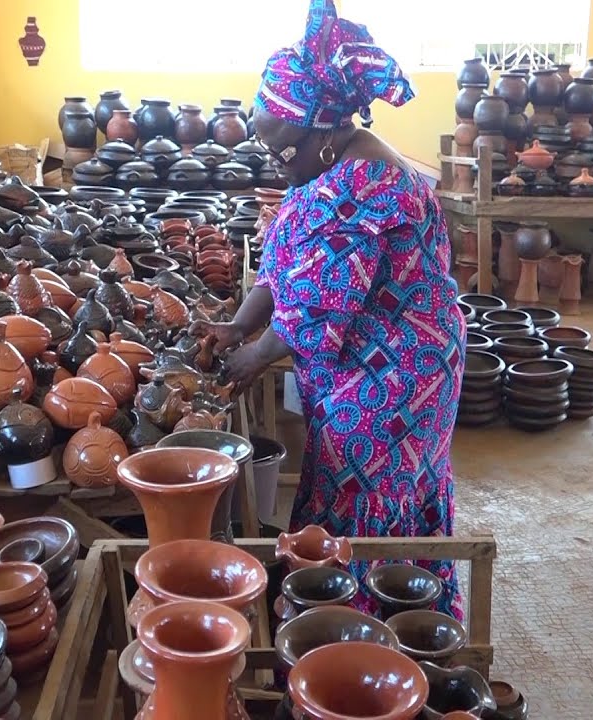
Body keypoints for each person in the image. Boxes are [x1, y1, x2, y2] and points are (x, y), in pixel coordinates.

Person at [192, 0, 467, 618]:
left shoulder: (358, 187)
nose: (275, 161)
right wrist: (242, 321)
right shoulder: (331, 167)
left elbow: (314, 308)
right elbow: (286, 260)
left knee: (362, 500)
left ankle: (367, 635)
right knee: (363, 491)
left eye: (283, 148)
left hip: (395, 372)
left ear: (325, 128)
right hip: (376, 351)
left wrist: (253, 357)